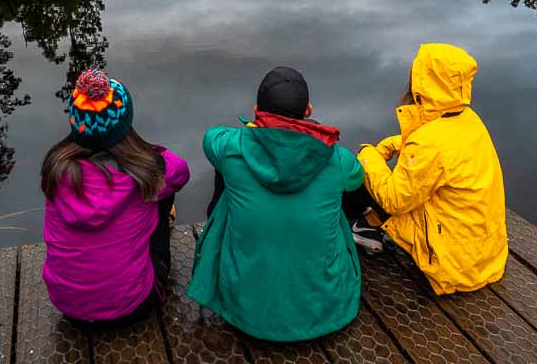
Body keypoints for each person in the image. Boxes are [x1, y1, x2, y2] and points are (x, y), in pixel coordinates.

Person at [188, 66, 363, 342]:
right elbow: (357, 177)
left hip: (244, 312)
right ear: (308, 110)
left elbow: (211, 137)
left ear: (257, 109)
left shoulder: (233, 146)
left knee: (228, 177)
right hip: (326, 312)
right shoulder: (336, 158)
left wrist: (252, 129)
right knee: (335, 194)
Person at [351, 43, 507, 294]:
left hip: (453, 268)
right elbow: (443, 151)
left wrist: (368, 155)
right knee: (402, 177)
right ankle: (371, 224)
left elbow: (394, 200)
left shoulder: (428, 143)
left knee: (365, 170)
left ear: (423, 84)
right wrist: (397, 144)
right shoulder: (469, 120)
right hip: (483, 257)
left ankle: (367, 227)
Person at [41, 69, 190, 325]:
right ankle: (160, 232)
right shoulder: (144, 173)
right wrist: (148, 154)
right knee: (162, 192)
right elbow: (181, 172)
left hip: (68, 307)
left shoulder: (56, 170)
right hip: (134, 306)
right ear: (125, 124)